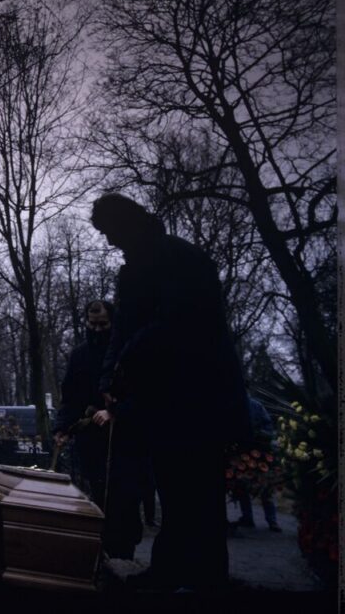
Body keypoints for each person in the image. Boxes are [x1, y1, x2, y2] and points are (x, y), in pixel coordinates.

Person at [91, 193, 250, 592]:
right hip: (160, 397)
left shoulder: (181, 258)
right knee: (174, 488)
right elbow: (123, 331)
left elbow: (177, 323)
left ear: (128, 222)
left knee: (199, 489)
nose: (110, 240)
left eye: (110, 230)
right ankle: (172, 570)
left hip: (196, 393)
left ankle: (205, 578)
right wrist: (109, 380)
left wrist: (126, 362)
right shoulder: (134, 269)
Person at [53, 300, 145, 560]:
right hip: (90, 439)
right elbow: (70, 396)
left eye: (102, 325)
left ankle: (122, 554)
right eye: (92, 324)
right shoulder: (80, 355)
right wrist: (63, 427)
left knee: (123, 498)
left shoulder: (126, 353)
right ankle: (97, 552)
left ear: (112, 324)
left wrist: (115, 412)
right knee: (95, 495)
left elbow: (140, 394)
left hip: (123, 441)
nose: (96, 330)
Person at [234, 393, 281, 532]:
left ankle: (272, 520)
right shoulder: (236, 405)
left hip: (260, 450)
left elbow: (268, 426)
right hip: (242, 450)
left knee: (265, 486)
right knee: (242, 485)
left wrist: (260, 435)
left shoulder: (256, 405)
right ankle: (248, 517)